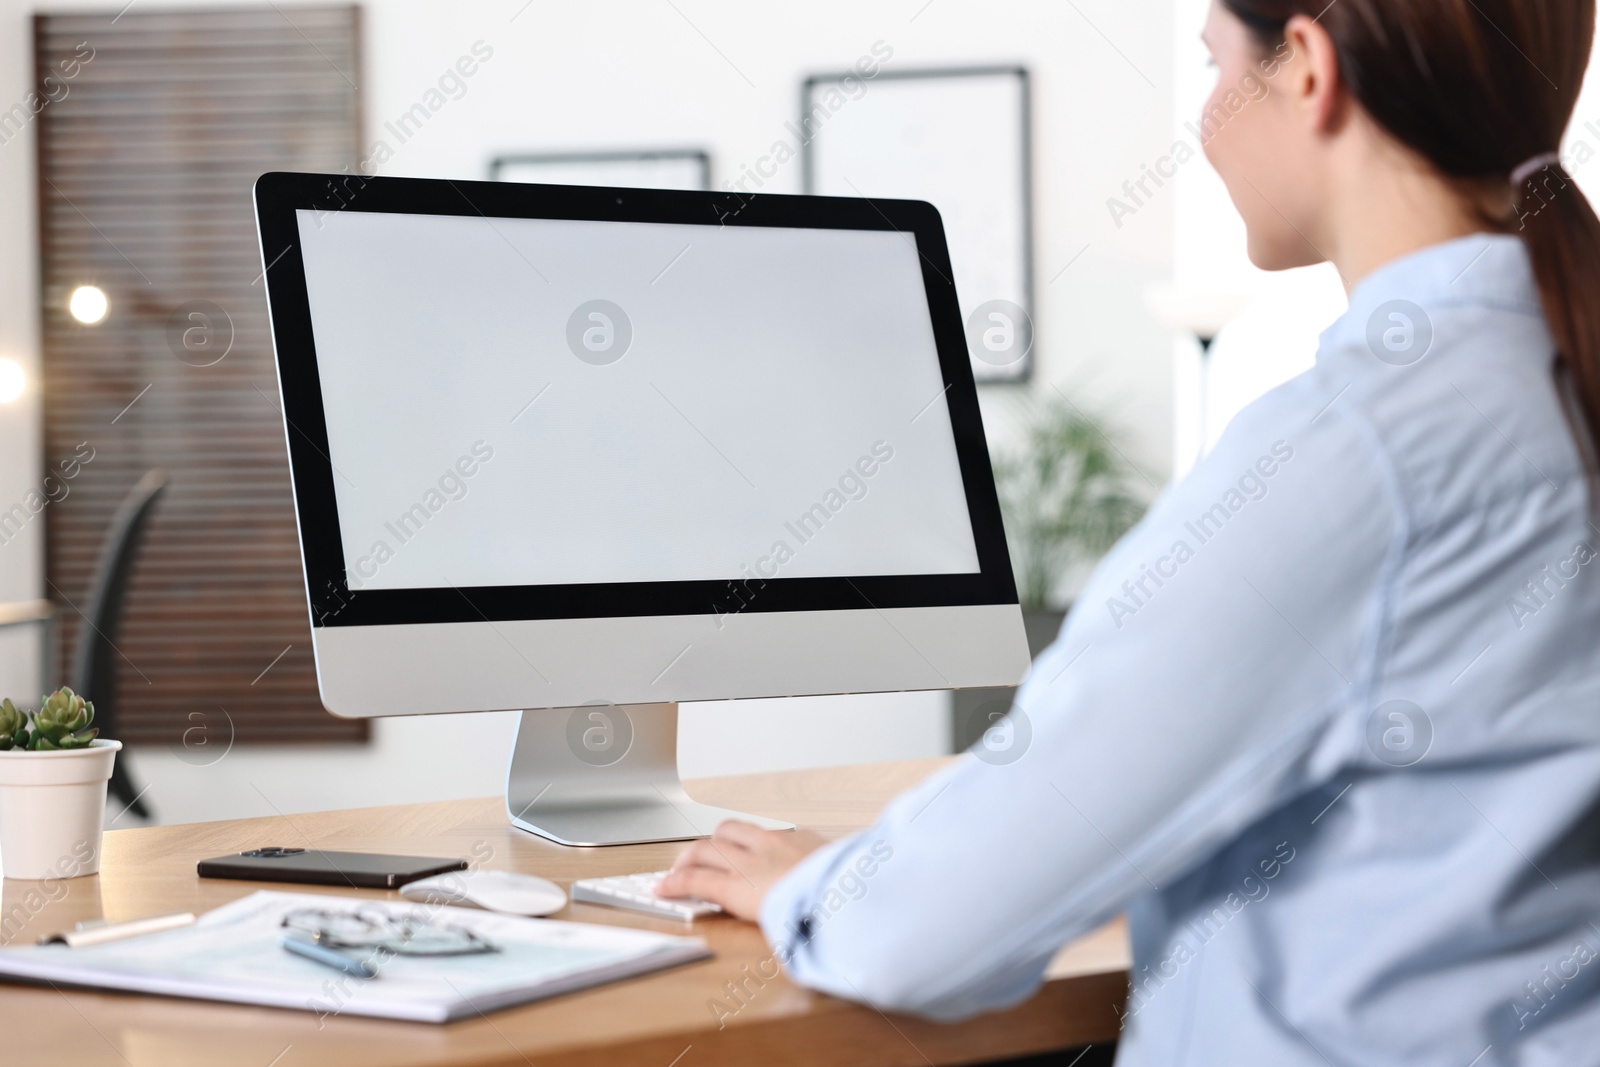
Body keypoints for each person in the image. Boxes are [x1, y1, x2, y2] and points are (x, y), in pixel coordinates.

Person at [658, 0, 1600, 1061]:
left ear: (1308, 73)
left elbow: (932, 928)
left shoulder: (1361, 446)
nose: (1202, 117)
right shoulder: (1547, 367)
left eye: (1213, 65)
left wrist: (816, 884)